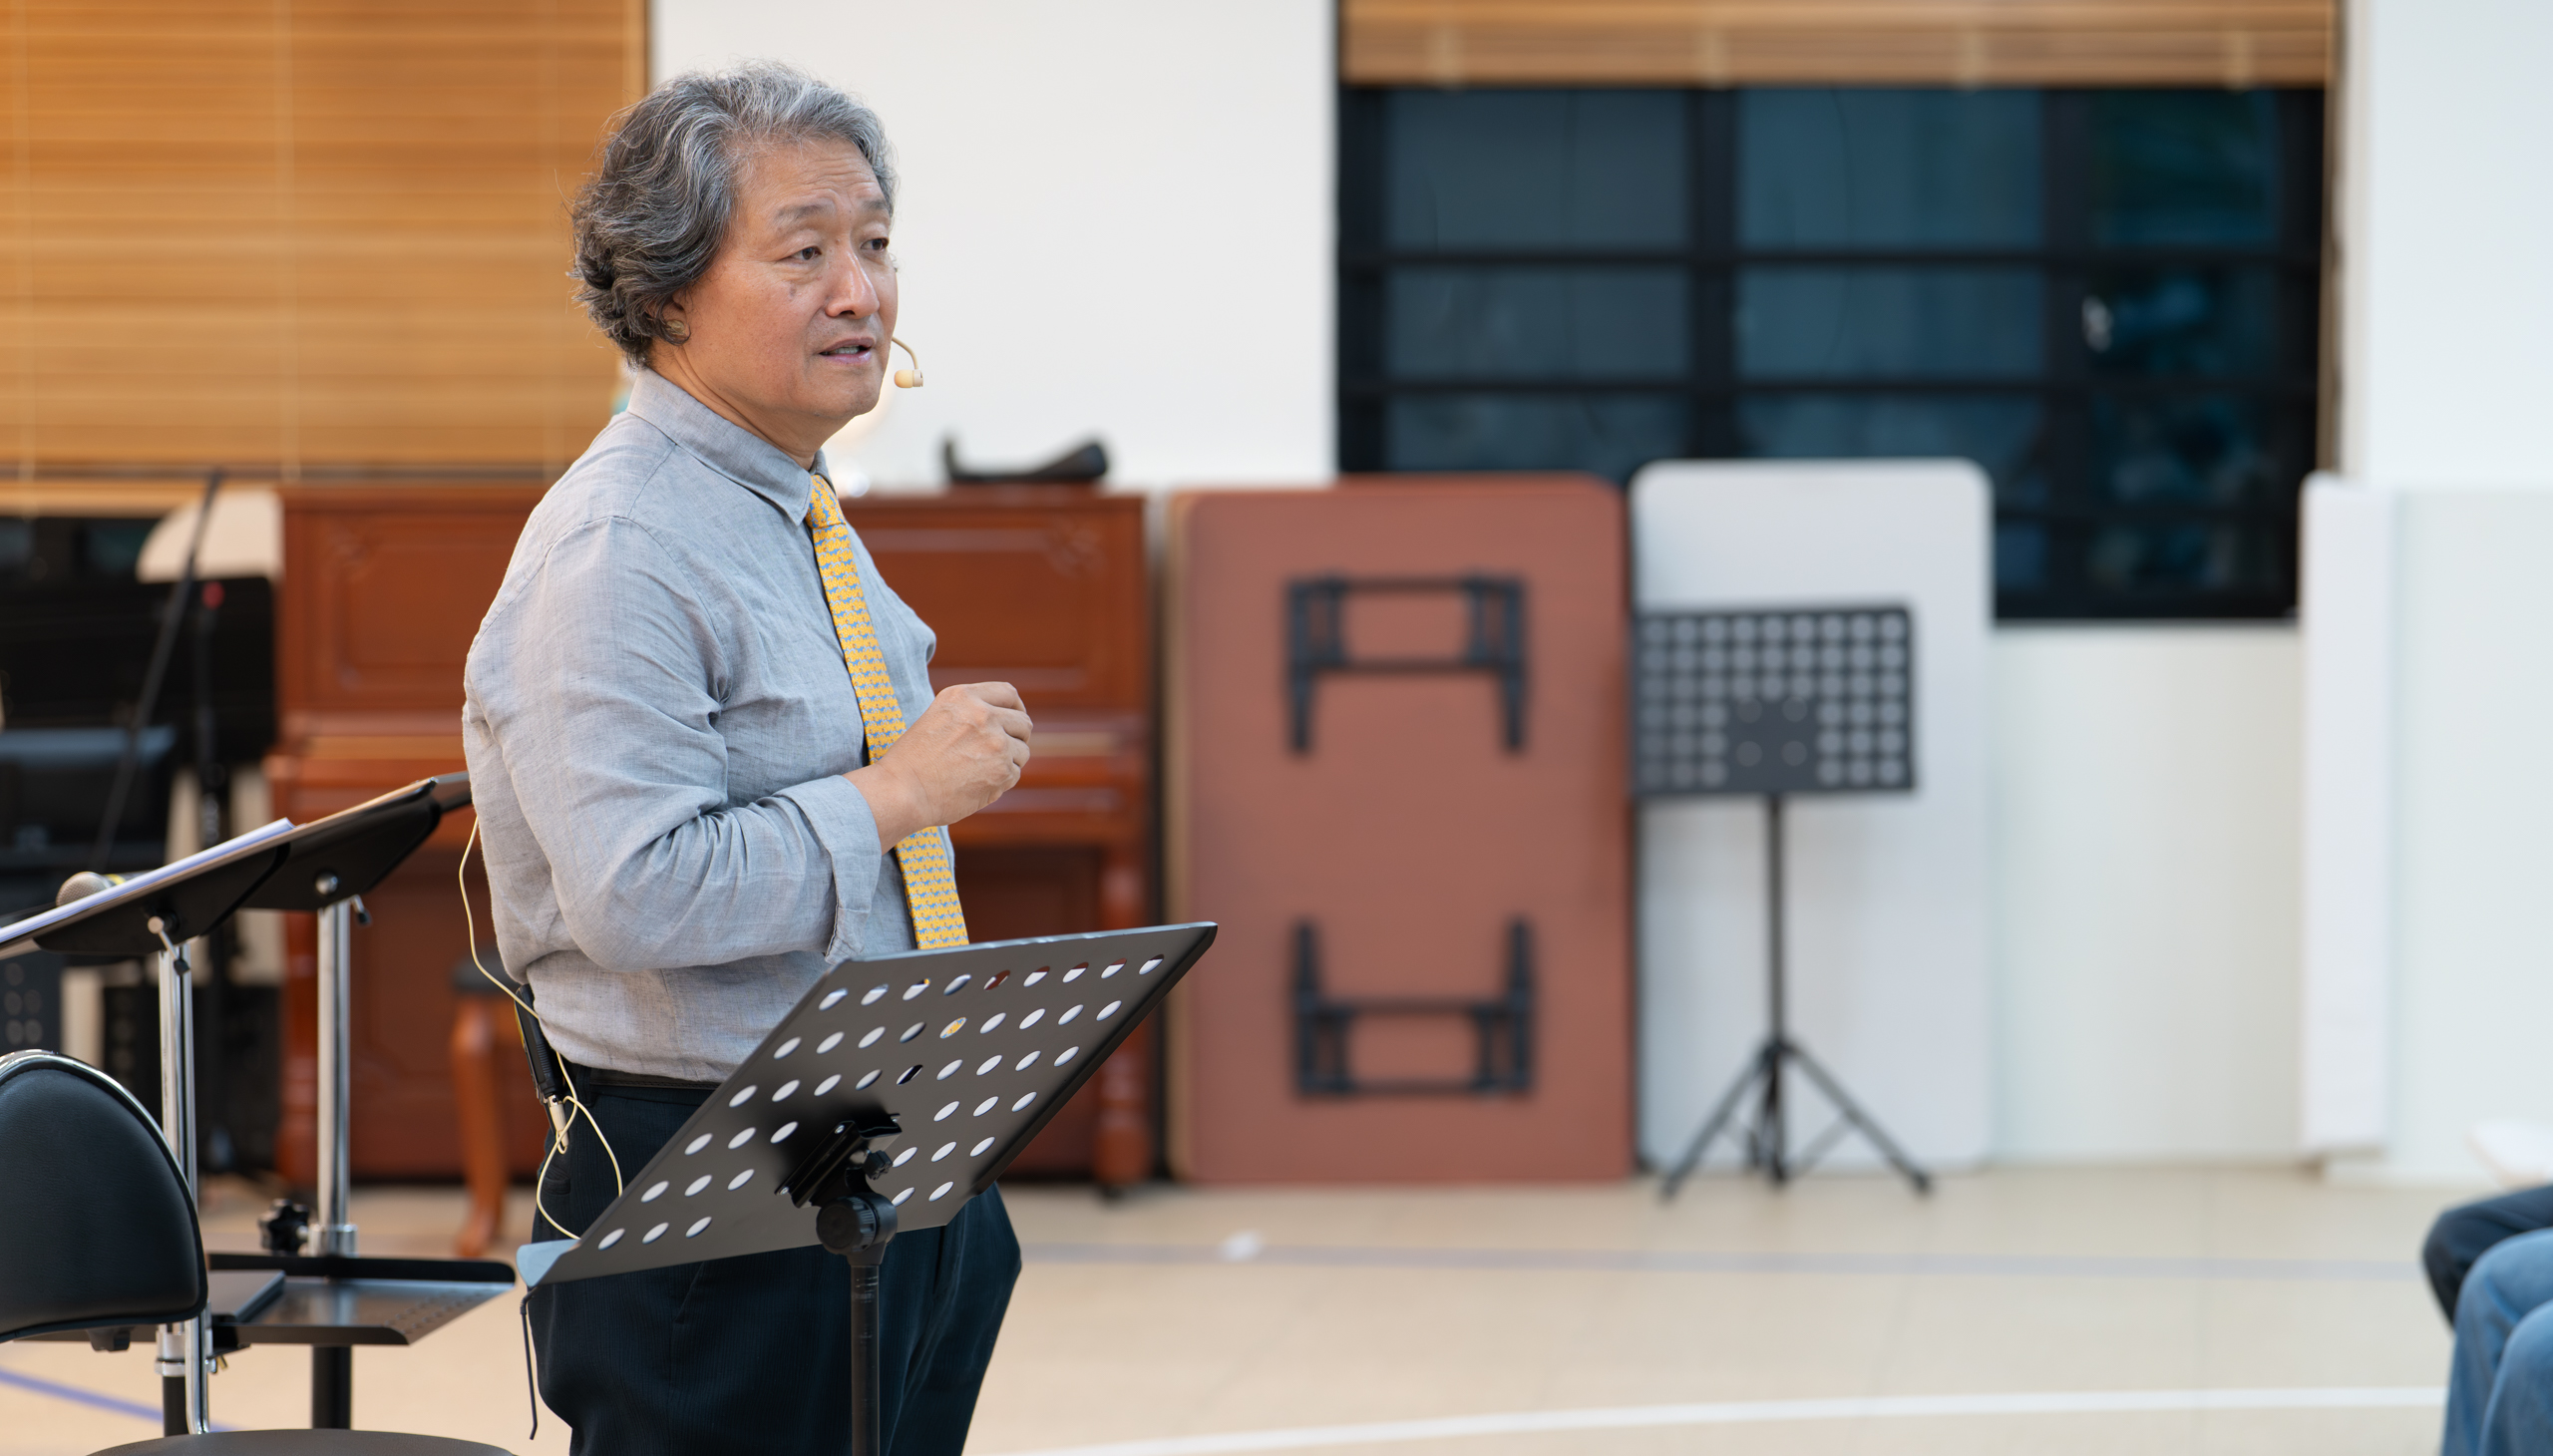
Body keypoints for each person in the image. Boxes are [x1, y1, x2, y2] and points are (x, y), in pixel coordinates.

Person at [463, 64, 1031, 1455]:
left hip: (885, 1146)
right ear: (666, 293)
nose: (861, 290)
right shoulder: (622, 546)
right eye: (803, 252)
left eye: (875, 243)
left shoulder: (790, 502)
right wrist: (898, 793)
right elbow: (637, 893)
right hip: (713, 1196)